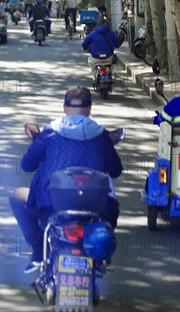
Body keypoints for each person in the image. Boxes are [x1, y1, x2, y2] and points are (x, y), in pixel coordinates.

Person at [10, 87, 123, 273]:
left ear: (64, 108)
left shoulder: (49, 133)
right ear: (89, 109)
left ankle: (38, 253)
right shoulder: (102, 136)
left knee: (16, 197)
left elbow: (26, 165)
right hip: (96, 209)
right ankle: (103, 255)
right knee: (113, 209)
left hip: (50, 206)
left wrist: (39, 143)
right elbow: (116, 171)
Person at [81, 17, 122, 82]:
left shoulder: (93, 34)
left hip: (96, 59)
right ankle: (110, 73)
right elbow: (117, 44)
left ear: (97, 25)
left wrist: (85, 48)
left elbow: (84, 44)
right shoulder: (111, 33)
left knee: (90, 61)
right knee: (112, 64)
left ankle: (94, 75)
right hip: (108, 58)